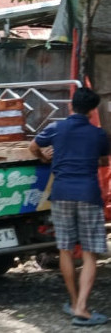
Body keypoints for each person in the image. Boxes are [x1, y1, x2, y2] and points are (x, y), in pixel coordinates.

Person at [29, 87, 110, 327]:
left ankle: (74, 302)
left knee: (65, 249)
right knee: (89, 252)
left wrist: (47, 156)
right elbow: (104, 160)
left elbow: (33, 147)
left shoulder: (56, 128)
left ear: (70, 106)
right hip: (87, 195)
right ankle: (82, 308)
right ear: (93, 110)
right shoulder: (98, 134)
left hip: (61, 194)